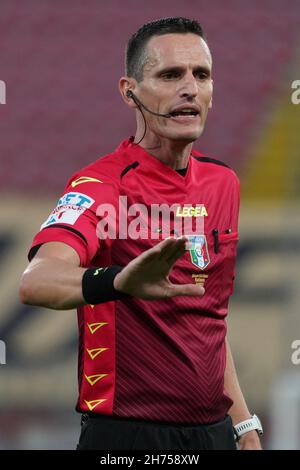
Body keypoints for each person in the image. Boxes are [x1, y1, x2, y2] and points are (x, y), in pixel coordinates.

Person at [20, 17, 263, 450]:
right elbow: (35, 281)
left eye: (201, 75)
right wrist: (117, 281)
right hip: (127, 437)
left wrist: (242, 425)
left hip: (214, 433)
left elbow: (209, 321)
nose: (189, 87)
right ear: (129, 91)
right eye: (170, 75)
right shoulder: (101, 186)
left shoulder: (223, 183)